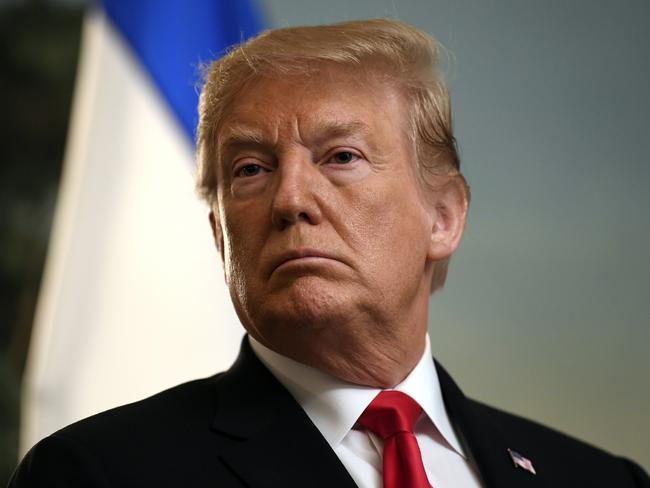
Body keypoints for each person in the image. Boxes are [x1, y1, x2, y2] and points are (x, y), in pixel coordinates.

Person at [8, 19, 649, 488]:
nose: (289, 199)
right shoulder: (98, 475)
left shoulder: (603, 481)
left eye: (340, 157)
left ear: (444, 216)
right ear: (219, 234)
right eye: (252, 169)